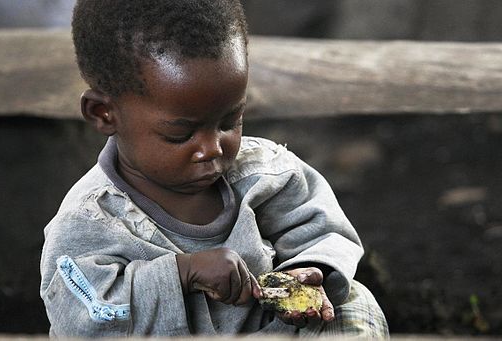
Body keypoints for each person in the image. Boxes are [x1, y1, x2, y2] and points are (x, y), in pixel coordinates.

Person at [40, 0, 389, 338]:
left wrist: (312, 269)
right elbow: (83, 319)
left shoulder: (264, 173)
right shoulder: (89, 222)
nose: (213, 149)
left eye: (229, 121)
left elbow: (323, 229)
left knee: (356, 305)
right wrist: (182, 273)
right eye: (181, 134)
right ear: (104, 113)